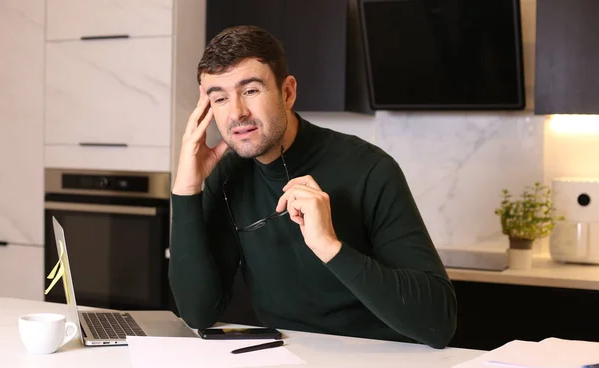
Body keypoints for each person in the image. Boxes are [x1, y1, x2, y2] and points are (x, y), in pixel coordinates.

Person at [169, 25, 458, 349]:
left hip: (380, 364)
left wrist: (327, 245)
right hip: (286, 363)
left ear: (288, 92)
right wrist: (186, 188)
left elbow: (438, 322)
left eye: (250, 90)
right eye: (219, 98)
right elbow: (197, 313)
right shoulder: (227, 177)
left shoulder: (370, 169)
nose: (237, 112)